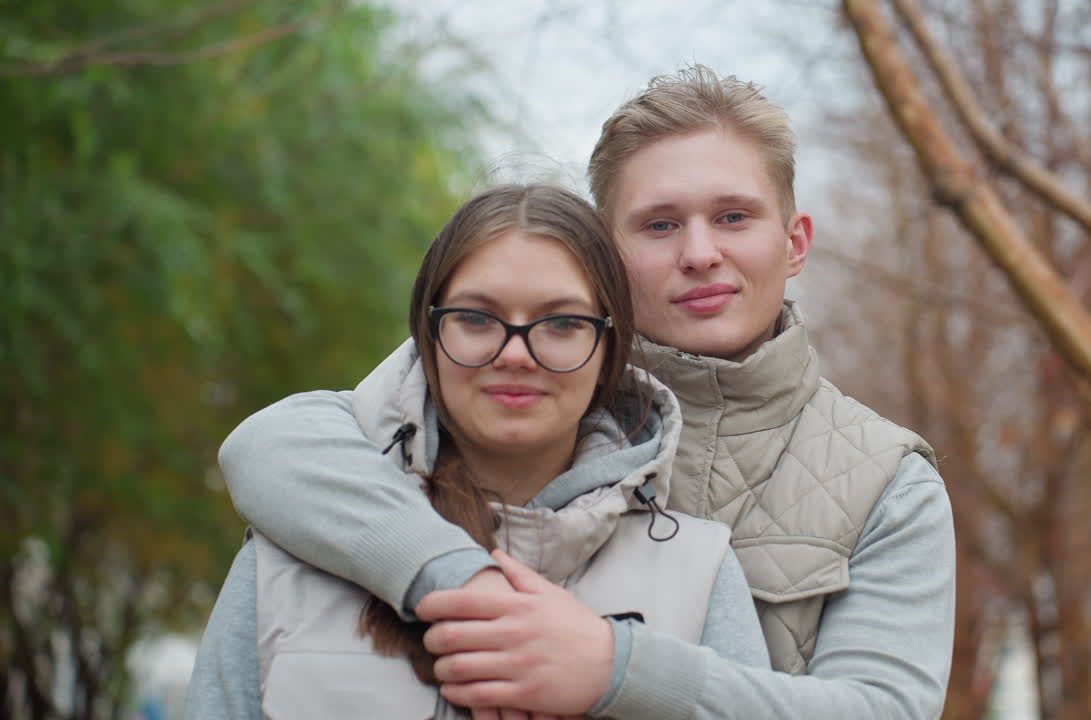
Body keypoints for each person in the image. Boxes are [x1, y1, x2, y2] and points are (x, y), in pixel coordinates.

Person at [216, 65, 955, 719]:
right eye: (660, 224)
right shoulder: (495, 389)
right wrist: (460, 579)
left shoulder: (886, 483)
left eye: (733, 217)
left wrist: (615, 669)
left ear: (794, 242)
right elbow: (269, 445)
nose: (701, 254)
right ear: (605, 250)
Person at [185, 184, 770, 720]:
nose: (515, 353)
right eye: (475, 318)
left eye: (562, 322)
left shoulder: (699, 570)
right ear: (429, 333)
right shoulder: (289, 554)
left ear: (606, 348)